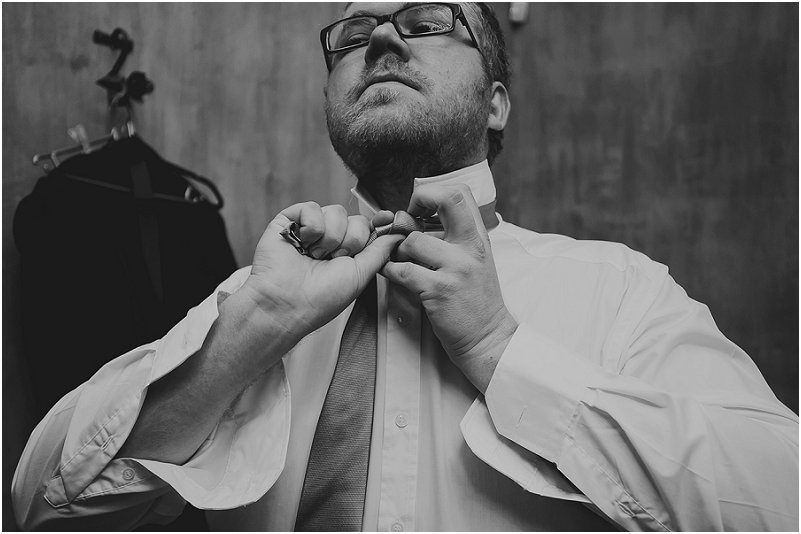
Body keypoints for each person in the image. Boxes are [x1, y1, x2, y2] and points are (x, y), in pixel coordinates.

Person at [12, 3, 798, 531]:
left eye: (425, 21)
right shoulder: (255, 297)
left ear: (495, 103)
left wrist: (500, 351)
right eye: (353, 35)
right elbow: (39, 506)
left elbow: (780, 499)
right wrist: (256, 327)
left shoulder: (617, 290)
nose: (381, 41)